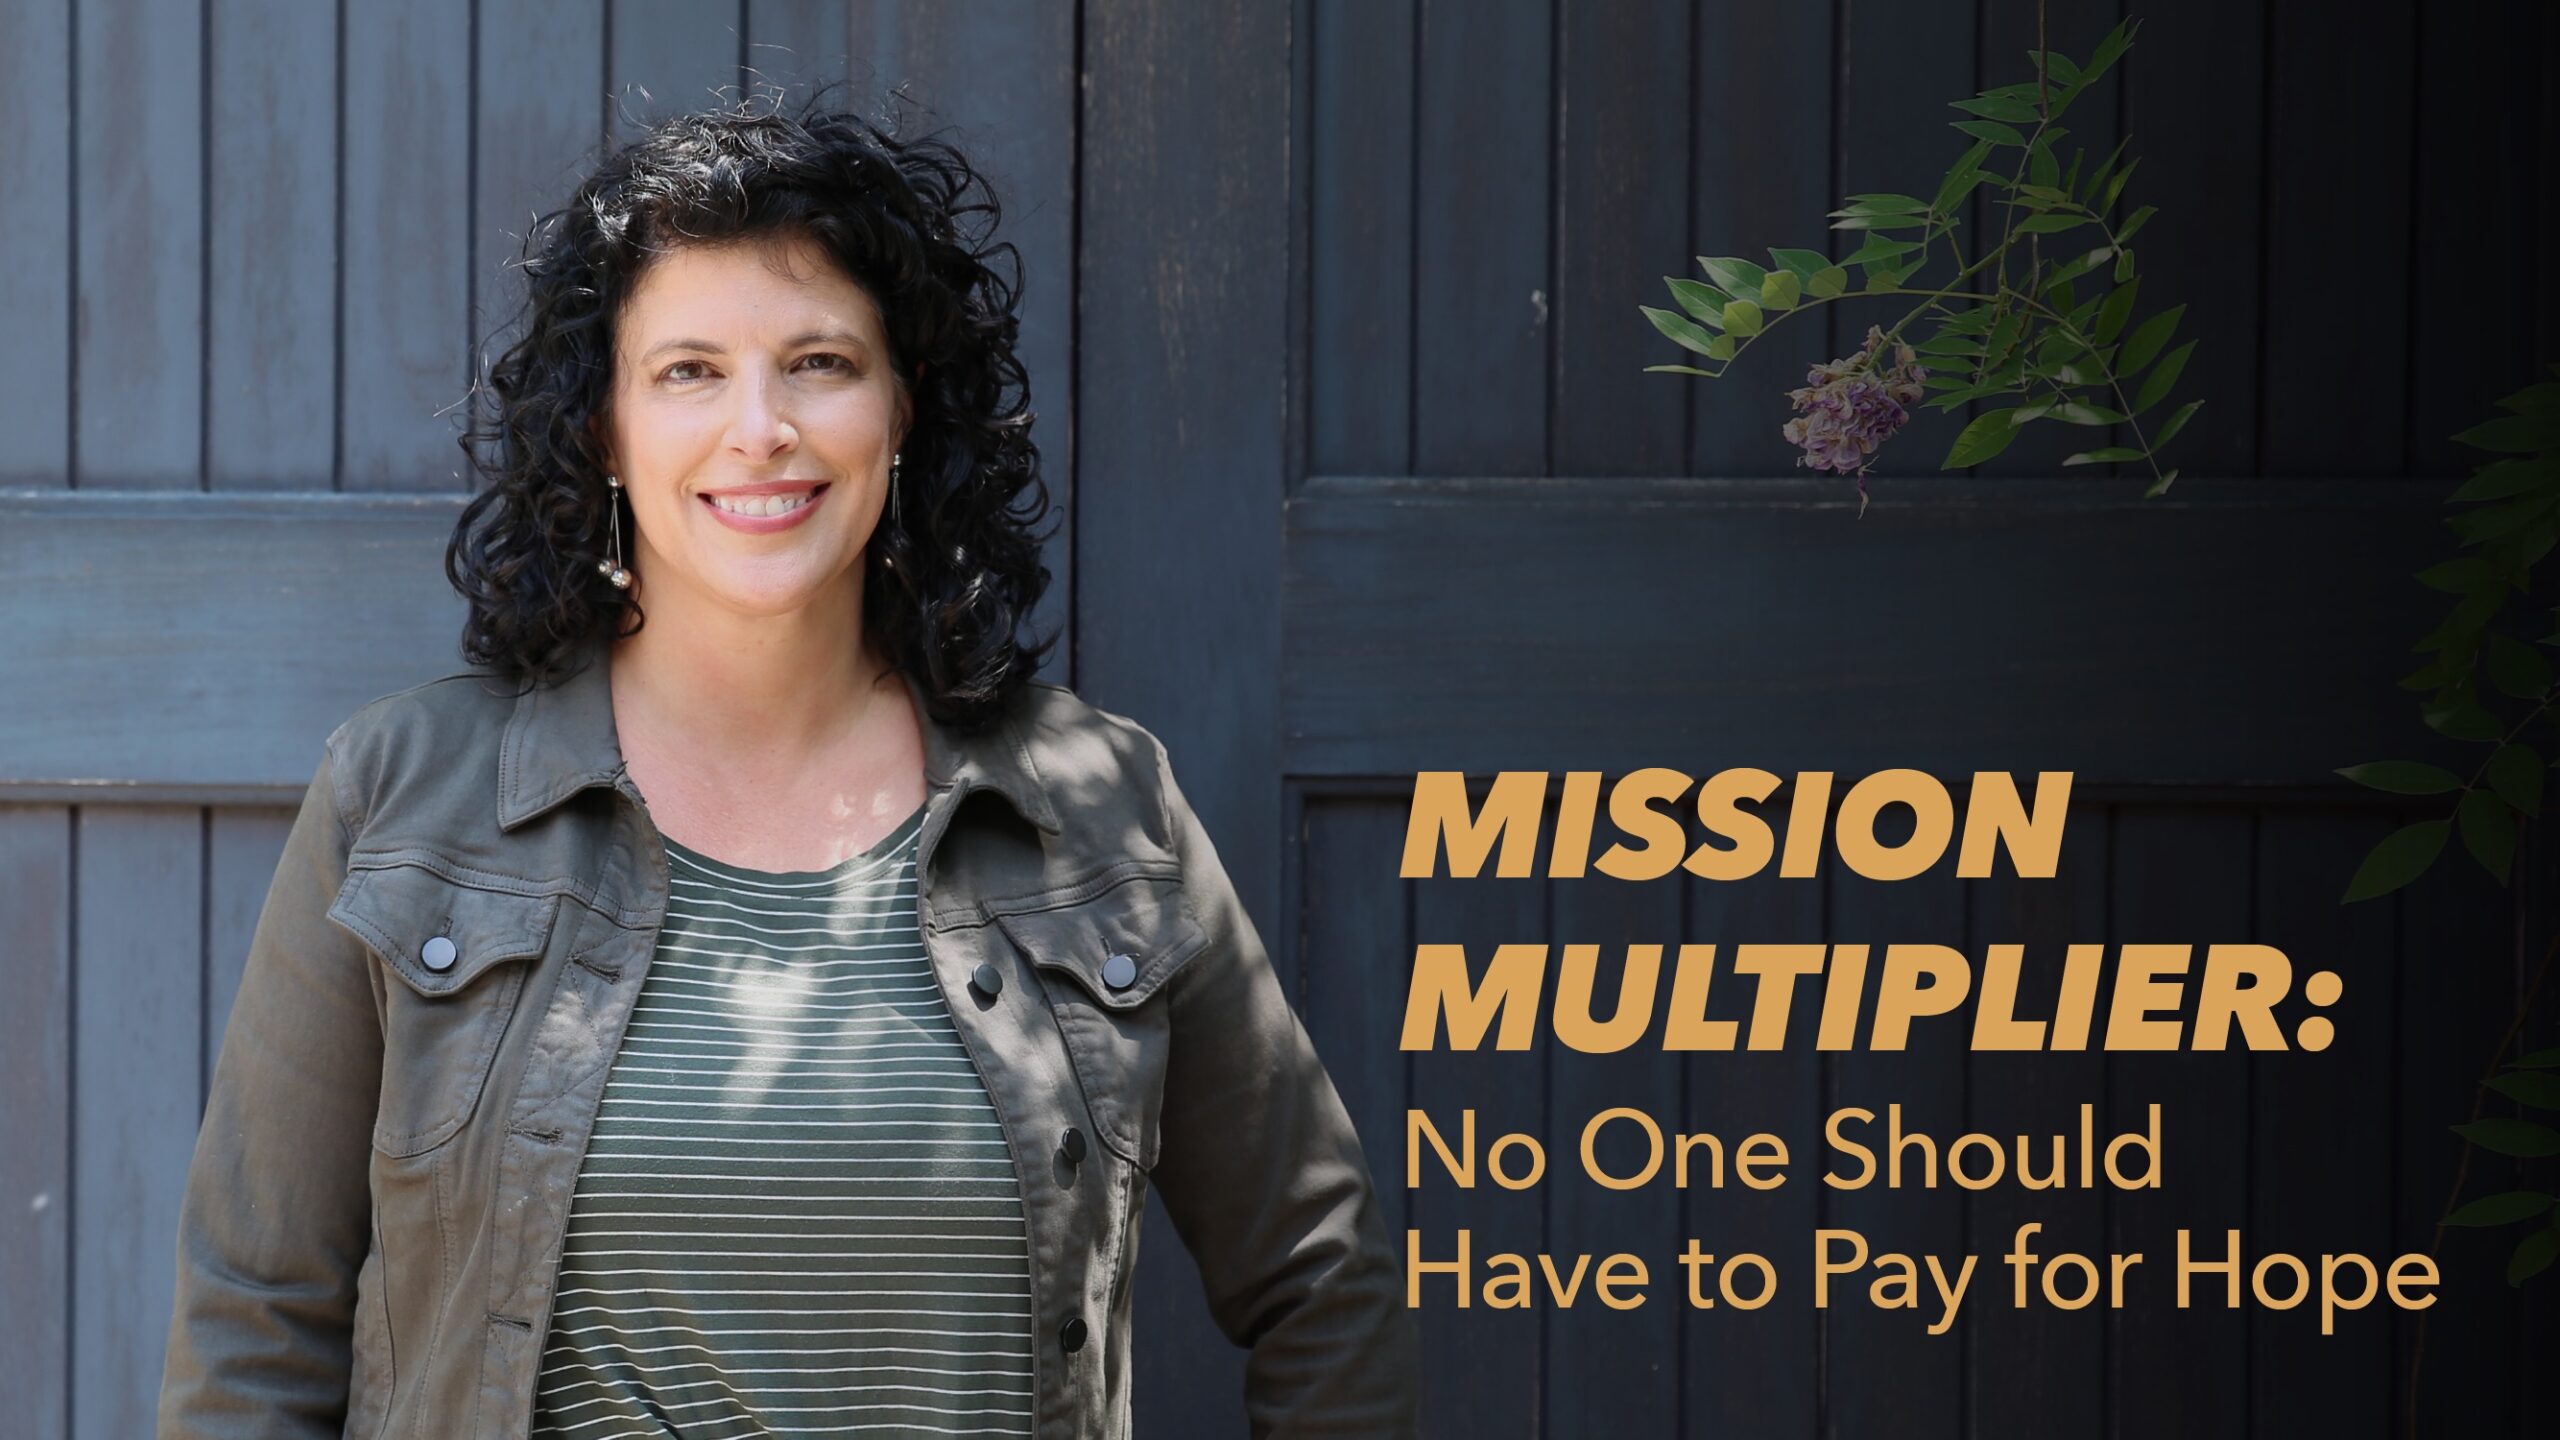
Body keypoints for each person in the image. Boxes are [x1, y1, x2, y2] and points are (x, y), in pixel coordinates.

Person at [157, 98, 1416, 1439]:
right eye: (689, 370)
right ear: (606, 430)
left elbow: (1322, 1281)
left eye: (818, 360)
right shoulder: (403, 794)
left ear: (901, 410)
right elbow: (255, 1320)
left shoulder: (1101, 807)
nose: (759, 427)